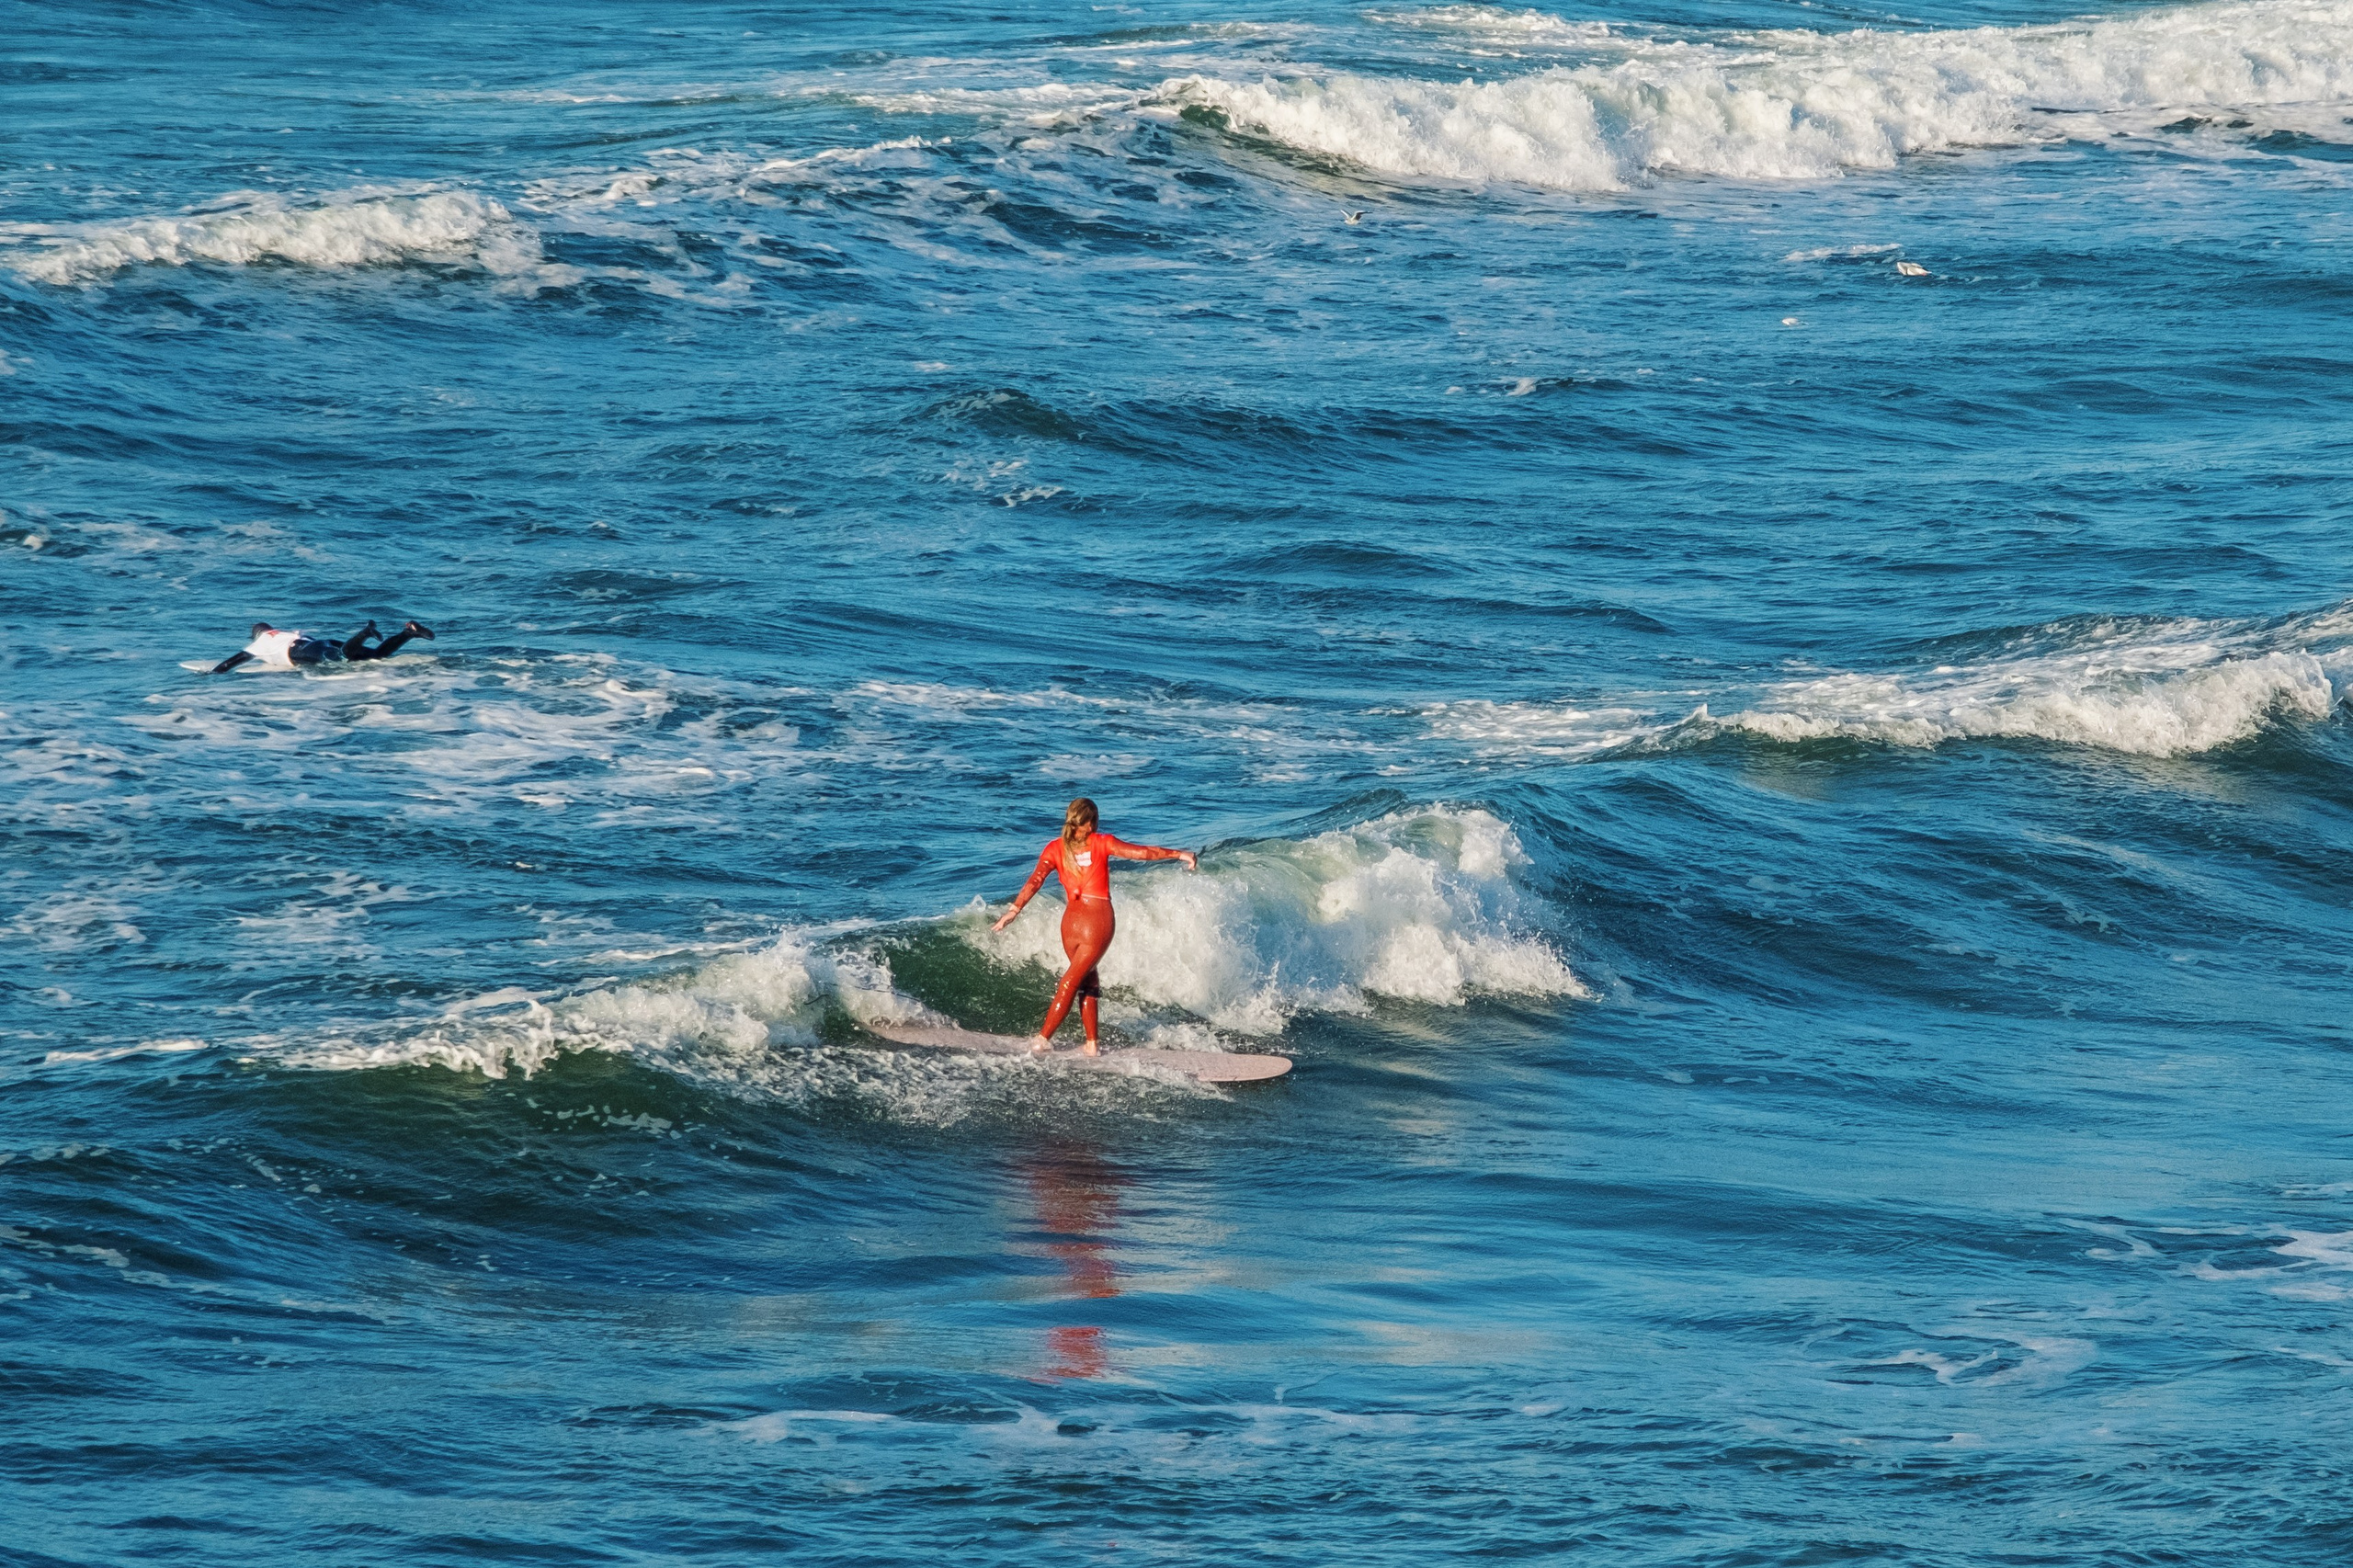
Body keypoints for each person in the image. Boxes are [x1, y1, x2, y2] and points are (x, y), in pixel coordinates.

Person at [991, 797, 1197, 1054]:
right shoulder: (1090, 844)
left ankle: (1049, 1039)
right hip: (1085, 925)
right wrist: (1179, 853)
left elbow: (1035, 881)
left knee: (1072, 981)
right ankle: (1082, 1044)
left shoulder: (1065, 847)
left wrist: (1014, 910)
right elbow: (1142, 852)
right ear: (1090, 823)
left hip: (1082, 926)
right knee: (1084, 982)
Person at [210, 619, 435, 674]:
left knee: (343, 657)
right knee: (378, 655)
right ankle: (409, 632)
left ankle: (365, 632)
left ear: (257, 634)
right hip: (320, 643)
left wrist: (211, 674)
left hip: (303, 652)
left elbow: (230, 663)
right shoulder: (285, 632)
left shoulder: (260, 642)